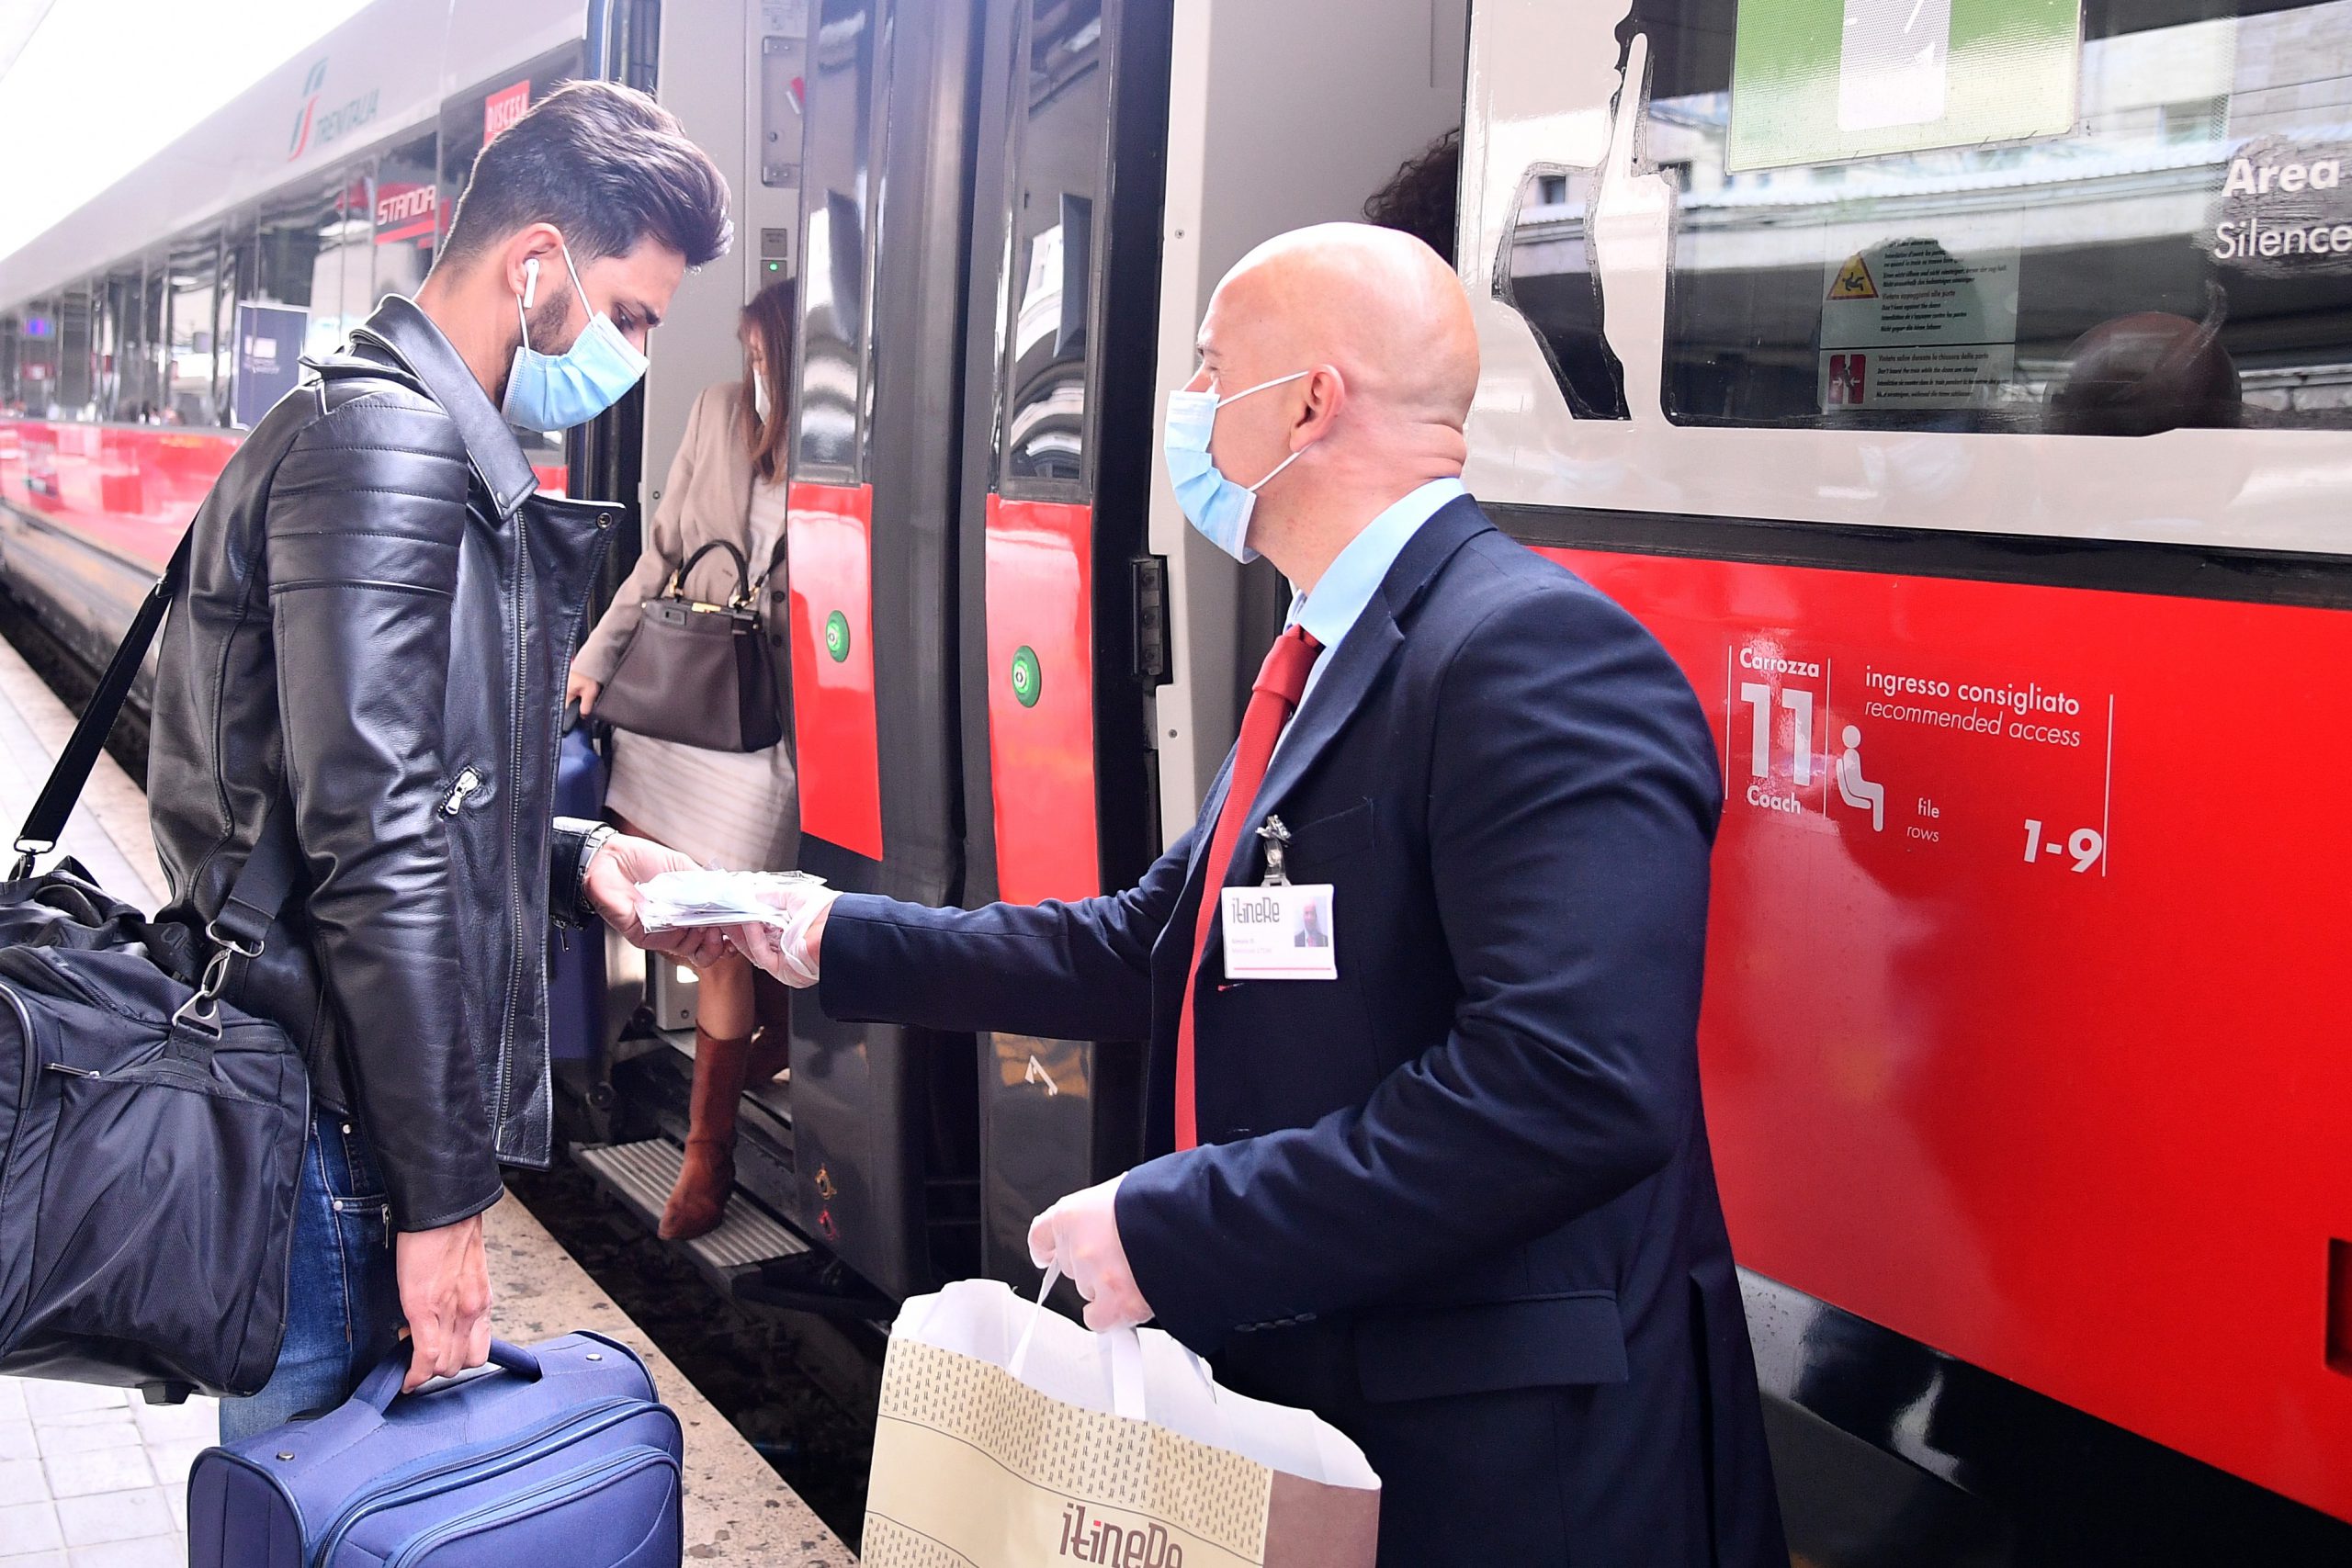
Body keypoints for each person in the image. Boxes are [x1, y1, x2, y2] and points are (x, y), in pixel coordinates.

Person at [731, 222, 1787, 1564]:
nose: (1188, 403)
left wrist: (1173, 1228)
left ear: (1308, 402)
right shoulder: (1337, 645)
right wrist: (809, 924)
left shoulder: (1531, 653)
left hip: (1511, 1456)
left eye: (1207, 366)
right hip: (1362, 1388)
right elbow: (1151, 943)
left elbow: (1567, 1084)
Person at [147, 81, 734, 1439]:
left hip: (334, 1108)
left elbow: (396, 786)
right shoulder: (393, 446)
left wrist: (578, 858)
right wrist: (443, 1200)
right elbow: (377, 840)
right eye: (631, 312)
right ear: (538, 266)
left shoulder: (372, 419)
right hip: (333, 1130)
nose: (634, 353)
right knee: (331, 1507)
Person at [567, 279, 799, 1239]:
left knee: (727, 927)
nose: (747, 368)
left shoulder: (838, 446)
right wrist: (593, 661)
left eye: (761, 352)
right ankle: (753, 1053)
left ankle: (708, 1155)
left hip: (762, 722)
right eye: (742, 350)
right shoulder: (715, 413)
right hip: (675, 705)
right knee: (675, 907)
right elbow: (658, 554)